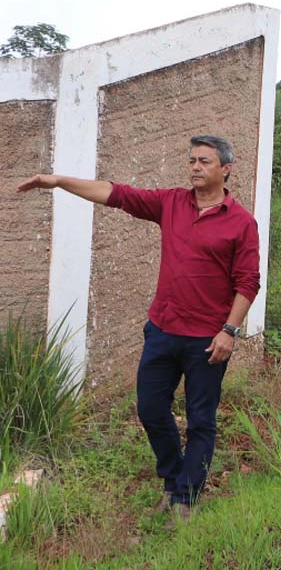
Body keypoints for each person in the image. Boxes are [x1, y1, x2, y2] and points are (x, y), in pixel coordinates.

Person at [17, 135, 260, 524]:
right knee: (149, 408)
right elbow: (115, 193)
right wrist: (59, 181)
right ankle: (172, 477)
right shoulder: (171, 203)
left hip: (207, 339)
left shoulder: (241, 222)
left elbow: (248, 281)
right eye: (192, 160)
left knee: (201, 419)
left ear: (226, 168)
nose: (195, 167)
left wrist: (229, 330)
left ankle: (184, 497)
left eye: (205, 161)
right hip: (163, 330)